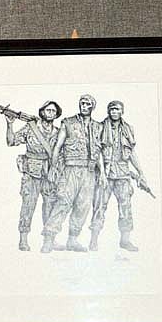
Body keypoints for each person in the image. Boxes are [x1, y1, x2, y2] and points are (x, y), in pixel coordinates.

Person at [41, 94, 105, 253]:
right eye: (81, 103)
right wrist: (52, 168)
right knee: (63, 201)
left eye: (87, 104)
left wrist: (102, 172)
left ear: (92, 107)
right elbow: (57, 147)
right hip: (71, 169)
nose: (83, 106)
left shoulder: (98, 126)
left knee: (83, 205)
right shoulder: (68, 123)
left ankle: (73, 240)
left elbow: (99, 151)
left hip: (89, 171)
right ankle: (49, 239)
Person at [89, 100, 148, 252]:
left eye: (117, 109)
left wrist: (140, 172)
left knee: (125, 207)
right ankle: (93, 240)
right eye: (112, 109)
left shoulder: (128, 129)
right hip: (106, 173)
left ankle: (125, 240)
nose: (114, 112)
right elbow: (97, 152)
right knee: (99, 206)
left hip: (123, 174)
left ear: (122, 111)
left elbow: (131, 153)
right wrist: (101, 173)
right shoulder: (100, 127)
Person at [3, 101, 62, 251]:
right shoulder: (30, 128)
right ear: (41, 112)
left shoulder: (58, 131)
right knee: (28, 205)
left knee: (50, 206)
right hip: (31, 172)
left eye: (53, 111)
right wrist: (10, 124)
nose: (50, 113)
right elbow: (11, 141)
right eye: (47, 110)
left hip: (49, 173)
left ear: (56, 114)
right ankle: (23, 239)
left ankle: (49, 240)